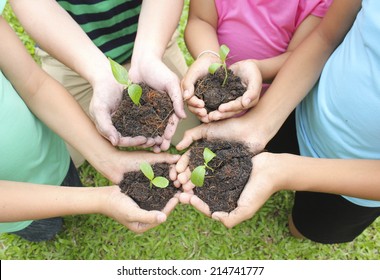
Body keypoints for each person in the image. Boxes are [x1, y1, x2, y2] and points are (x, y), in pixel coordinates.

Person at [174, 0, 380, 244]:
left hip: (357, 184)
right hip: (299, 110)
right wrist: (258, 125)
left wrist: (284, 172)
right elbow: (326, 36)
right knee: (263, 159)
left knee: (308, 228)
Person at [0, 1, 180, 242]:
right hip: (67, 54)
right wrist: (101, 199)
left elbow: (34, 84)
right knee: (44, 227)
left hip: (48, 154)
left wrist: (109, 159)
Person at [9, 0, 199, 167]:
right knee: (64, 156)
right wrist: (99, 73)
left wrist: (148, 56)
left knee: (194, 129)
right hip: (68, 54)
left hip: (152, 35)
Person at [181, 0, 331, 154]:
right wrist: (209, 56)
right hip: (217, 98)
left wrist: (259, 70)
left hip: (278, 107)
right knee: (214, 155)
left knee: (269, 158)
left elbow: (303, 56)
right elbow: (200, 20)